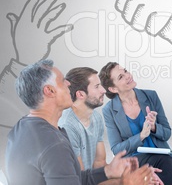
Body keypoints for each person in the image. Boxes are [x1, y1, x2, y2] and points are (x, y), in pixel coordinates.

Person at [4, 59, 157, 185]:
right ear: (49, 91)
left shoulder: (22, 127)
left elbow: (73, 178)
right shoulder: (54, 145)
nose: (69, 84)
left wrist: (108, 171)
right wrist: (127, 183)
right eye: (63, 81)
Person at [99, 62, 172, 185]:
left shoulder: (151, 96)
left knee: (165, 166)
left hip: (161, 155)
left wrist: (154, 127)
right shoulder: (109, 110)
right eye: (120, 77)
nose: (128, 75)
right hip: (135, 159)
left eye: (125, 71)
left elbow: (167, 133)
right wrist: (141, 135)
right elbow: (116, 149)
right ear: (113, 89)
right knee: (165, 165)